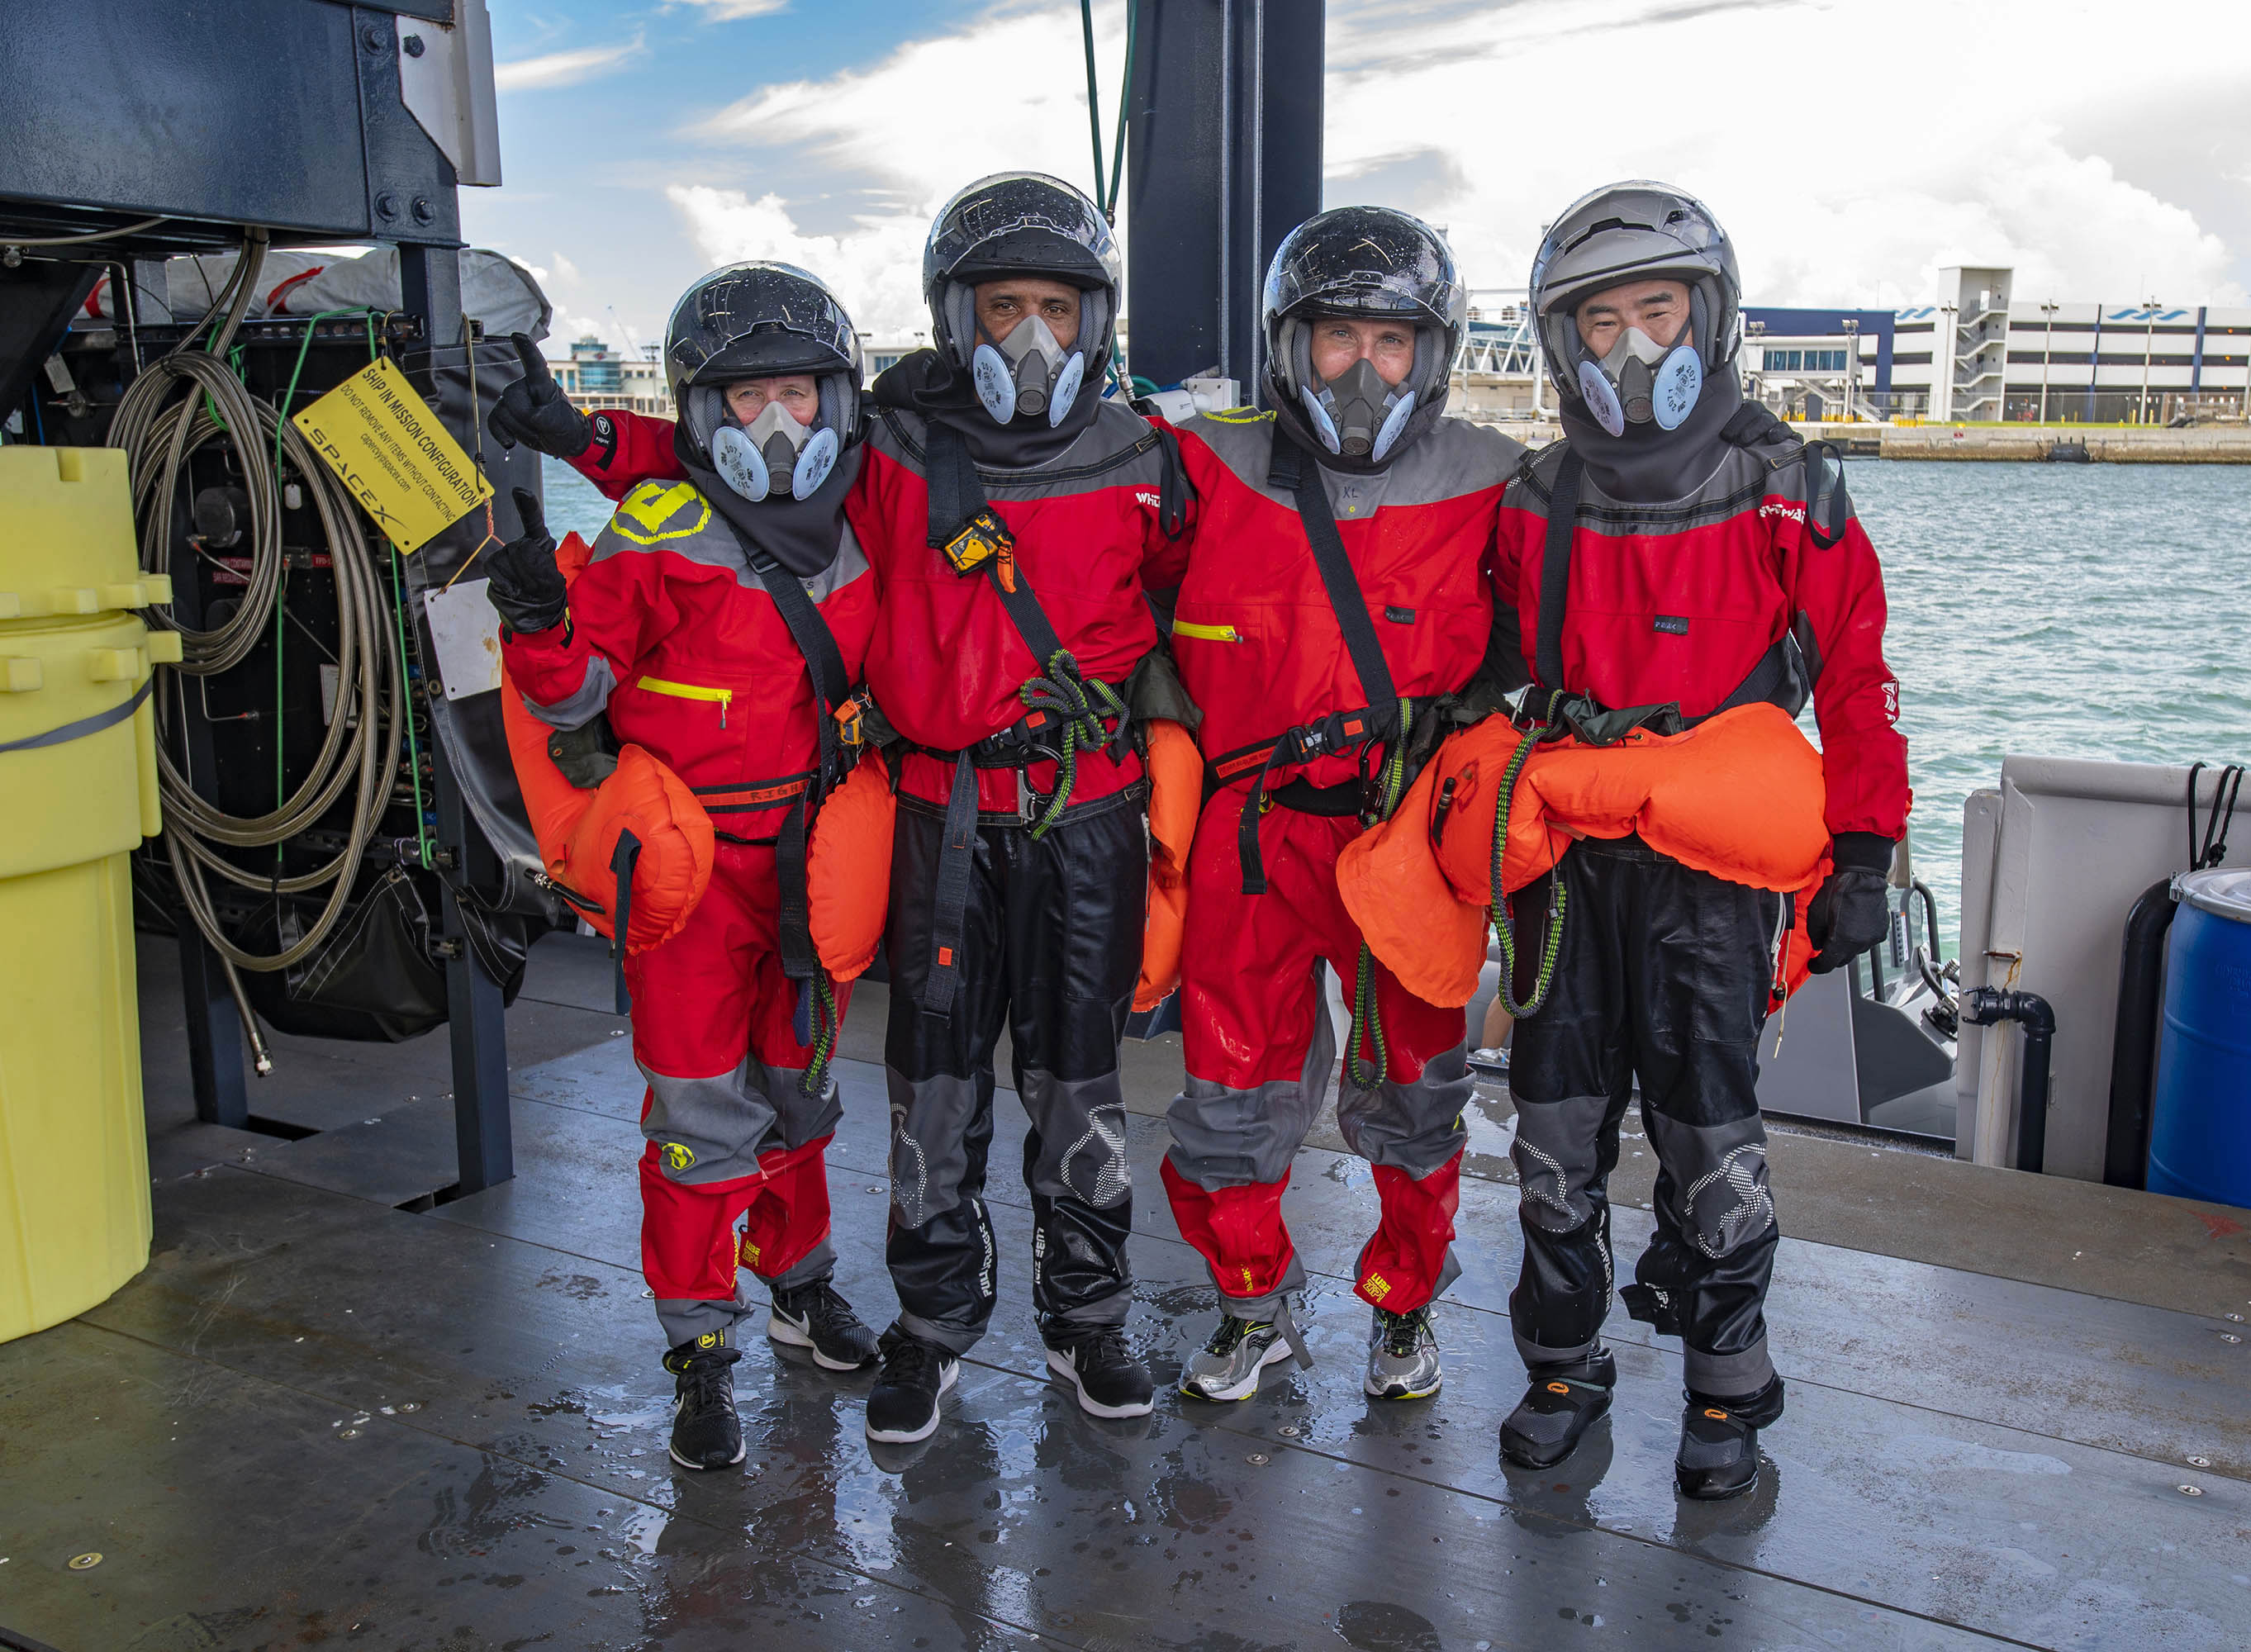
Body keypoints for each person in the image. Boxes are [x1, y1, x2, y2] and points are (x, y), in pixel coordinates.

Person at [491, 174, 1190, 1445]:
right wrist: (585, 440)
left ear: (1094, 317)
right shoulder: (896, 446)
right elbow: (721, 463)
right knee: (931, 1091)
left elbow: (1238, 590)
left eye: (1054, 308)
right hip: (936, 816)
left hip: (1085, 815)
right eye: (1002, 308)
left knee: (1080, 1086)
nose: (1029, 337)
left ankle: (1090, 1318)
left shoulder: (1152, 460)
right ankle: (933, 1325)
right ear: (955, 317)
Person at [1485, 183, 1908, 1497]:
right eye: (1601, 322)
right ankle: (1563, 1367)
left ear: (1709, 317)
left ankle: (1728, 1390)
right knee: (1552, 1134)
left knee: (1711, 1138)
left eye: (1657, 312)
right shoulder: (1533, 498)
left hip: (1716, 881)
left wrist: (1866, 850)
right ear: (1563, 341)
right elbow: (1485, 678)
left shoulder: (1789, 490)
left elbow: (1858, 683)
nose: (1632, 346)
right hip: (1564, 871)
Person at [487, 263, 881, 1472]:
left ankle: (799, 1283)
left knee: (802, 1093)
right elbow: (576, 694)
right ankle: (698, 1347)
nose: (776, 421)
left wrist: (592, 438)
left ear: (838, 401)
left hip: (815, 862)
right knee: (699, 1114)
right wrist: (540, 624)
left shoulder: (873, 507)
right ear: (707, 410)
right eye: (746, 396)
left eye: (799, 393)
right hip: (697, 872)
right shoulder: (657, 527)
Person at [1149, 207, 1522, 1404]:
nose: (1365, 367)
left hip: (1402, 843)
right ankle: (1248, 1302)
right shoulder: (1200, 464)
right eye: (1338, 337)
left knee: (1419, 1092)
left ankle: (1404, 1306)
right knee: (1231, 1093)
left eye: (1392, 341)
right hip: (1248, 841)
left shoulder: (1499, 480)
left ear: (1434, 352)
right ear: (1288, 343)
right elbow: (1076, 526)